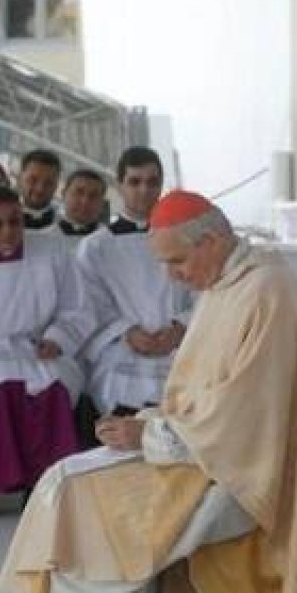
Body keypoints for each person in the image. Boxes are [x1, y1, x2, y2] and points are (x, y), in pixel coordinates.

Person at [0, 191, 297, 593]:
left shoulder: (267, 292)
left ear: (210, 241)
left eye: (176, 262)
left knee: (88, 510)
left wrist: (150, 435)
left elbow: (245, 421)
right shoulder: (223, 286)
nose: (172, 277)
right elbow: (198, 393)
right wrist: (149, 423)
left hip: (244, 475)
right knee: (63, 482)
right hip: (200, 450)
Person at [0, 185, 91, 517]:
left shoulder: (53, 254)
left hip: (41, 347)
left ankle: (44, 486)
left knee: (53, 389)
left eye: (15, 221)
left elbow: (77, 308)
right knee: (0, 389)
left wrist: (59, 337)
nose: (8, 232)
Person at [76, 147, 192, 417]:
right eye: (135, 182)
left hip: (177, 345)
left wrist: (181, 327)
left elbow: (203, 293)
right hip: (122, 348)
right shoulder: (95, 247)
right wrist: (126, 332)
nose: (144, 191)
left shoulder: (184, 239)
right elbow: (89, 304)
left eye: (153, 182)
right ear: (119, 186)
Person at [18, 149, 62, 231]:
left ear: (57, 184)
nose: (40, 189)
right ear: (20, 177)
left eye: (48, 182)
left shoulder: (66, 222)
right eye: (33, 180)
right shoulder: (0, 218)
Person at [57, 169, 107, 240]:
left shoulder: (111, 240)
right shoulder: (41, 233)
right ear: (63, 194)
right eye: (79, 192)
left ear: (102, 203)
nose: (85, 201)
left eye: (94, 195)